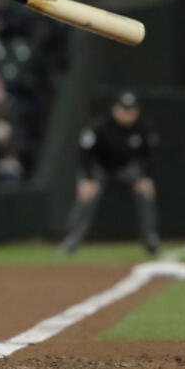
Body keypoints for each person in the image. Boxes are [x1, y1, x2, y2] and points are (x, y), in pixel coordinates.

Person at [60, 91, 161, 256]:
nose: (128, 114)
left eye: (132, 110)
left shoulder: (143, 128)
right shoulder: (99, 127)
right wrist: (86, 179)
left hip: (127, 168)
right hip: (99, 168)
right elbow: (85, 155)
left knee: (145, 192)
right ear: (115, 109)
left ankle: (150, 239)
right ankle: (71, 240)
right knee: (87, 196)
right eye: (124, 109)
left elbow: (148, 156)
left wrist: (147, 178)